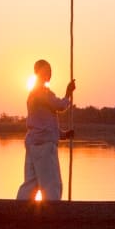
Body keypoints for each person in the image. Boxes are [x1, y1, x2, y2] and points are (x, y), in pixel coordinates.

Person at [16, 59, 76, 201]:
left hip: (34, 143)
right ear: (38, 73)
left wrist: (63, 134)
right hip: (43, 145)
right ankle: (52, 212)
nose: (49, 73)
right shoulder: (41, 93)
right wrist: (68, 93)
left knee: (31, 183)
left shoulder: (35, 94)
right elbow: (60, 105)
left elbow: (44, 122)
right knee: (52, 185)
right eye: (46, 70)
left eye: (50, 71)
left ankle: (20, 208)